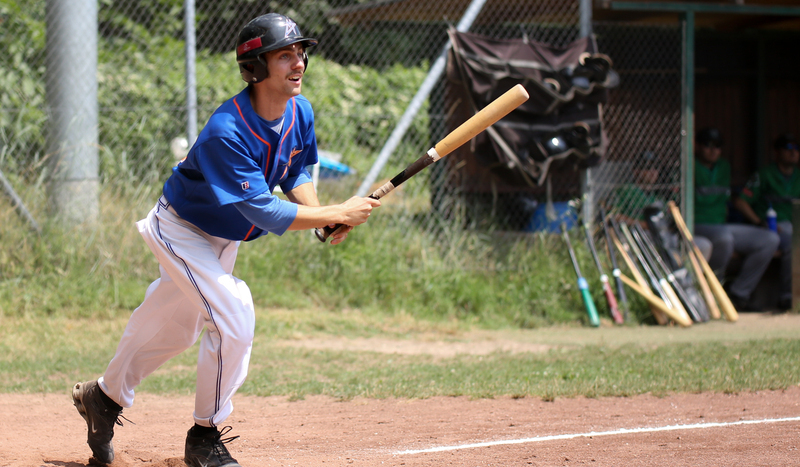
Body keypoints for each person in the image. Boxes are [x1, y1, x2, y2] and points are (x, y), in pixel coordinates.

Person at [71, 13, 380, 467]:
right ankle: (204, 436)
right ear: (255, 67)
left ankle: (103, 397)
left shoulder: (300, 111)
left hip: (222, 238)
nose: (298, 63)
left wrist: (319, 219)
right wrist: (334, 212)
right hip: (181, 228)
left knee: (176, 328)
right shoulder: (227, 131)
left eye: (300, 53)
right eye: (283, 55)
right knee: (233, 313)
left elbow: (293, 170)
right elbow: (262, 209)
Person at [693, 127, 779, 311]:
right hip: (696, 225)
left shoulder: (724, 166)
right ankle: (713, 294)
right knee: (724, 238)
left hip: (722, 226)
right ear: (697, 146)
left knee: (769, 239)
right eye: (708, 145)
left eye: (717, 146)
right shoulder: (689, 166)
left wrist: (757, 222)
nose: (713, 150)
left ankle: (739, 294)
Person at [733, 133, 800, 310]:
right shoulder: (765, 174)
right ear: (777, 152)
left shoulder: (798, 176)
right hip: (772, 227)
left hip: (795, 226)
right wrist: (759, 222)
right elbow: (740, 202)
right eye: (788, 148)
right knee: (793, 245)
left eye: (796, 149)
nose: (793, 153)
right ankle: (788, 297)